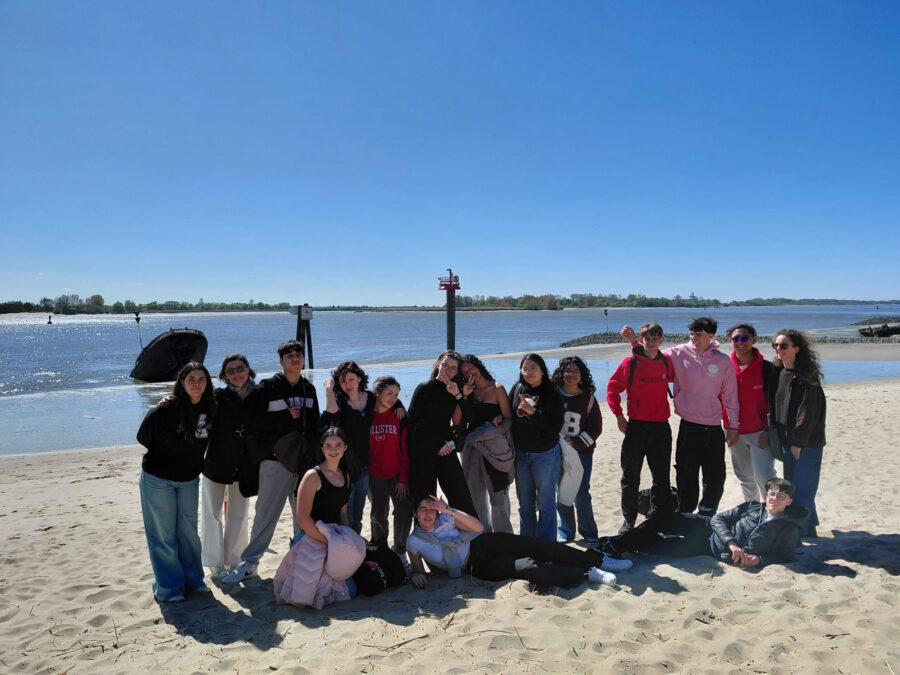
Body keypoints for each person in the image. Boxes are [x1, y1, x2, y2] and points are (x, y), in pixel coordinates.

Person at [223, 340, 321, 584]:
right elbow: (252, 422)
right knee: (265, 515)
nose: (295, 359)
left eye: (298, 355)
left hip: (303, 462)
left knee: (303, 515)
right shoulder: (268, 387)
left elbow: (314, 427)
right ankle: (250, 562)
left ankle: (299, 557)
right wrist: (285, 417)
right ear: (281, 361)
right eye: (289, 356)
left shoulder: (309, 388)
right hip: (274, 461)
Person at [622, 318, 740, 518]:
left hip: (713, 427)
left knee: (714, 477)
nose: (694, 338)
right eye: (692, 334)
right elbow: (651, 355)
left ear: (711, 336)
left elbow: (731, 396)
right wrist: (634, 341)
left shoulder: (722, 361)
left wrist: (734, 426)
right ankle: (686, 515)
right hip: (688, 426)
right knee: (686, 475)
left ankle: (706, 516)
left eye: (699, 334)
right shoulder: (678, 353)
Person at [407, 495, 631, 591]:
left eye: (431, 509)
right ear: (415, 514)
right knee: (528, 567)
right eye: (422, 510)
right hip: (475, 566)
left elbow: (478, 528)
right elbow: (418, 569)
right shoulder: (414, 541)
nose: (428, 514)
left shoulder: (446, 518)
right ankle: (585, 573)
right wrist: (417, 575)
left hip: (484, 543)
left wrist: (449, 510)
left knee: (538, 547)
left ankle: (598, 560)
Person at [137, 361, 216, 602]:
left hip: (189, 480)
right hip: (158, 479)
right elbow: (143, 436)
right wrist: (168, 453)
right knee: (163, 535)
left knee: (188, 534)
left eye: (201, 379)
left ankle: (194, 581)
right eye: (191, 379)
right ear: (181, 382)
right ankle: (169, 588)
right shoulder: (166, 408)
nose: (196, 384)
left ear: (207, 383)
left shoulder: (211, 407)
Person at [600, 478, 809, 569]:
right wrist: (732, 543)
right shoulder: (753, 506)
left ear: (789, 501)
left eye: (781, 496)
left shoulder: (788, 528)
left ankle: (618, 544)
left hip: (708, 549)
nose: (774, 499)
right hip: (706, 526)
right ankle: (615, 544)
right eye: (772, 494)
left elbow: (784, 555)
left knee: (655, 546)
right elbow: (719, 519)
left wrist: (759, 560)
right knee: (661, 519)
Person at [608, 323, 676, 534]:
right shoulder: (630, 363)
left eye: (655, 339)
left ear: (661, 340)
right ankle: (629, 520)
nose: (651, 342)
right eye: (648, 339)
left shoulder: (666, 362)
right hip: (636, 426)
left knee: (661, 477)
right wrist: (619, 415)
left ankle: (658, 516)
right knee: (630, 477)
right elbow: (612, 388)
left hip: (661, 427)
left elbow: (686, 379)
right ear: (642, 339)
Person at [201, 353, 264, 578]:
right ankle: (215, 562)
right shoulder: (217, 397)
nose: (236, 374)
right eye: (230, 371)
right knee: (212, 514)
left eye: (240, 368)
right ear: (224, 376)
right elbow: (197, 416)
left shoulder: (260, 395)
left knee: (238, 515)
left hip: (245, 466)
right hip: (215, 464)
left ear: (248, 369)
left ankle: (235, 560)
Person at [322, 361, 403, 534]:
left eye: (351, 379)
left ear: (359, 378)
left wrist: (399, 405)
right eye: (343, 381)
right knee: (347, 512)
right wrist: (329, 389)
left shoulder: (370, 397)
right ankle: (348, 544)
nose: (348, 384)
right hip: (346, 466)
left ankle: (357, 544)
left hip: (366, 465)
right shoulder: (339, 401)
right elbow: (332, 415)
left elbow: (389, 398)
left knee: (359, 512)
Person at [769, 330, 826, 538]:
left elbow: (808, 412)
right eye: (776, 345)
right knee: (793, 486)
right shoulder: (779, 373)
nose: (778, 349)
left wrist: (799, 441)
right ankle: (809, 525)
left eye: (784, 345)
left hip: (806, 442)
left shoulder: (806, 376)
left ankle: (801, 530)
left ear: (796, 348)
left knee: (804, 487)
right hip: (787, 440)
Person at [406, 351, 477, 515]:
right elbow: (412, 423)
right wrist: (437, 444)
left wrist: (459, 395)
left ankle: (469, 530)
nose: (448, 370)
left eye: (453, 368)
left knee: (461, 496)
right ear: (438, 364)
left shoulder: (454, 390)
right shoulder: (424, 388)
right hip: (424, 449)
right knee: (425, 500)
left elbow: (469, 418)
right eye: (446, 364)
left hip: (446, 448)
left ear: (457, 372)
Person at [509, 353, 564, 541]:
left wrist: (533, 412)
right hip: (521, 454)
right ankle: (528, 542)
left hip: (545, 454)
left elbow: (555, 427)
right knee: (525, 504)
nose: (529, 372)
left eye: (533, 368)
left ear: (542, 370)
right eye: (525, 368)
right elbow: (509, 415)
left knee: (546, 503)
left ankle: (546, 545)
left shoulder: (552, 393)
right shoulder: (517, 388)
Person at [457, 354, 514, 534]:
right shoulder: (467, 392)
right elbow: (458, 421)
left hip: (494, 448)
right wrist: (463, 396)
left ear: (478, 365)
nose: (469, 372)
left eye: (470, 367)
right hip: (473, 448)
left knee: (499, 495)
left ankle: (504, 537)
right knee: (476, 495)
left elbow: (508, 419)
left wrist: (494, 430)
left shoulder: (497, 388)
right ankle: (484, 537)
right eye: (464, 372)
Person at [551, 356, 602, 546]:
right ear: (561, 373)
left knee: (581, 492)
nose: (571, 375)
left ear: (582, 375)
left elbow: (596, 428)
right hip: (556, 451)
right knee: (563, 491)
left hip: (582, 453)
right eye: (567, 370)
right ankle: (566, 530)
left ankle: (589, 532)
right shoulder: (553, 395)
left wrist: (577, 442)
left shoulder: (588, 399)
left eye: (575, 371)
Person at [724, 324, 777, 502]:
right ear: (730, 341)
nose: (740, 342)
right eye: (736, 339)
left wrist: (768, 430)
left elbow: (776, 404)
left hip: (760, 431)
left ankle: (772, 512)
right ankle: (752, 511)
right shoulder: (725, 367)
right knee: (745, 477)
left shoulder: (767, 368)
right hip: (733, 431)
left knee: (765, 475)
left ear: (754, 339)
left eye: (745, 338)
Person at [367, 376, 413, 553]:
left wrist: (404, 479)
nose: (393, 398)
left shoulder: (399, 416)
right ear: (378, 393)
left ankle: (400, 549)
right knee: (378, 513)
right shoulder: (367, 416)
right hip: (374, 475)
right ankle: (381, 550)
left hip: (397, 474)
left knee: (403, 511)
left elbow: (406, 450)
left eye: (396, 395)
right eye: (389, 393)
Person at [295, 426, 351, 542]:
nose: (333, 450)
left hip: (335, 535)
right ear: (322, 449)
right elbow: (302, 518)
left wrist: (345, 536)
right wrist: (328, 542)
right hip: (311, 537)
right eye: (328, 446)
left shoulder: (346, 475)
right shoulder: (312, 476)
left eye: (338, 445)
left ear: (345, 447)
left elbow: (343, 513)